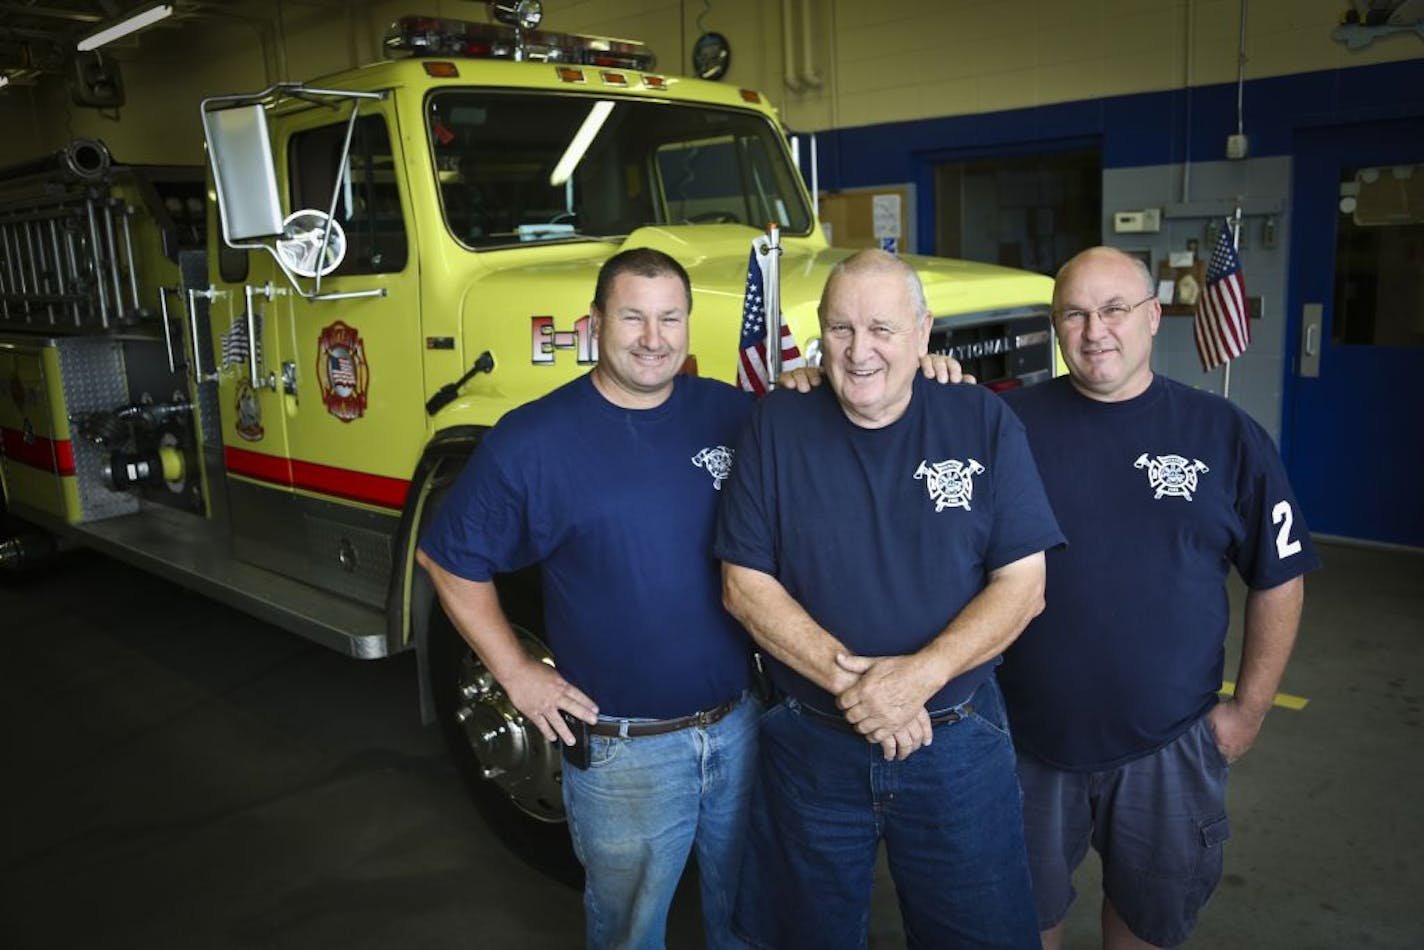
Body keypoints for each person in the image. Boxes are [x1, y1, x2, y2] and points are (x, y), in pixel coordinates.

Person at [417, 246, 962, 949]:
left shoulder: (731, 412)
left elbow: (846, 404)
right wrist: (517, 674)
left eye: (670, 318)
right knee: (630, 931)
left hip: (740, 732)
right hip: (625, 754)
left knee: (747, 918)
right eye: (634, 317)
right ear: (596, 324)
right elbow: (448, 558)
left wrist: (930, 374)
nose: (654, 337)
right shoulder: (533, 440)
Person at [715, 248, 1064, 949]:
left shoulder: (981, 421)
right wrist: (870, 693)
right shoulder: (776, 424)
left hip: (957, 743)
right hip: (813, 747)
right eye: (840, 330)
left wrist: (919, 678)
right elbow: (744, 588)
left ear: (923, 332)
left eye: (882, 328)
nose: (860, 349)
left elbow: (1024, 588)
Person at [997, 246, 1320, 950]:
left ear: (1151, 317)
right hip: (1025, 743)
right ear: (1055, 327)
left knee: (1147, 927)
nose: (1094, 331)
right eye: (1074, 314)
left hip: (1169, 746)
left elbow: (1280, 574)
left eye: (1114, 310)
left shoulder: (1226, 434)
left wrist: (1248, 713)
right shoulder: (1005, 428)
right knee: (1020, 925)